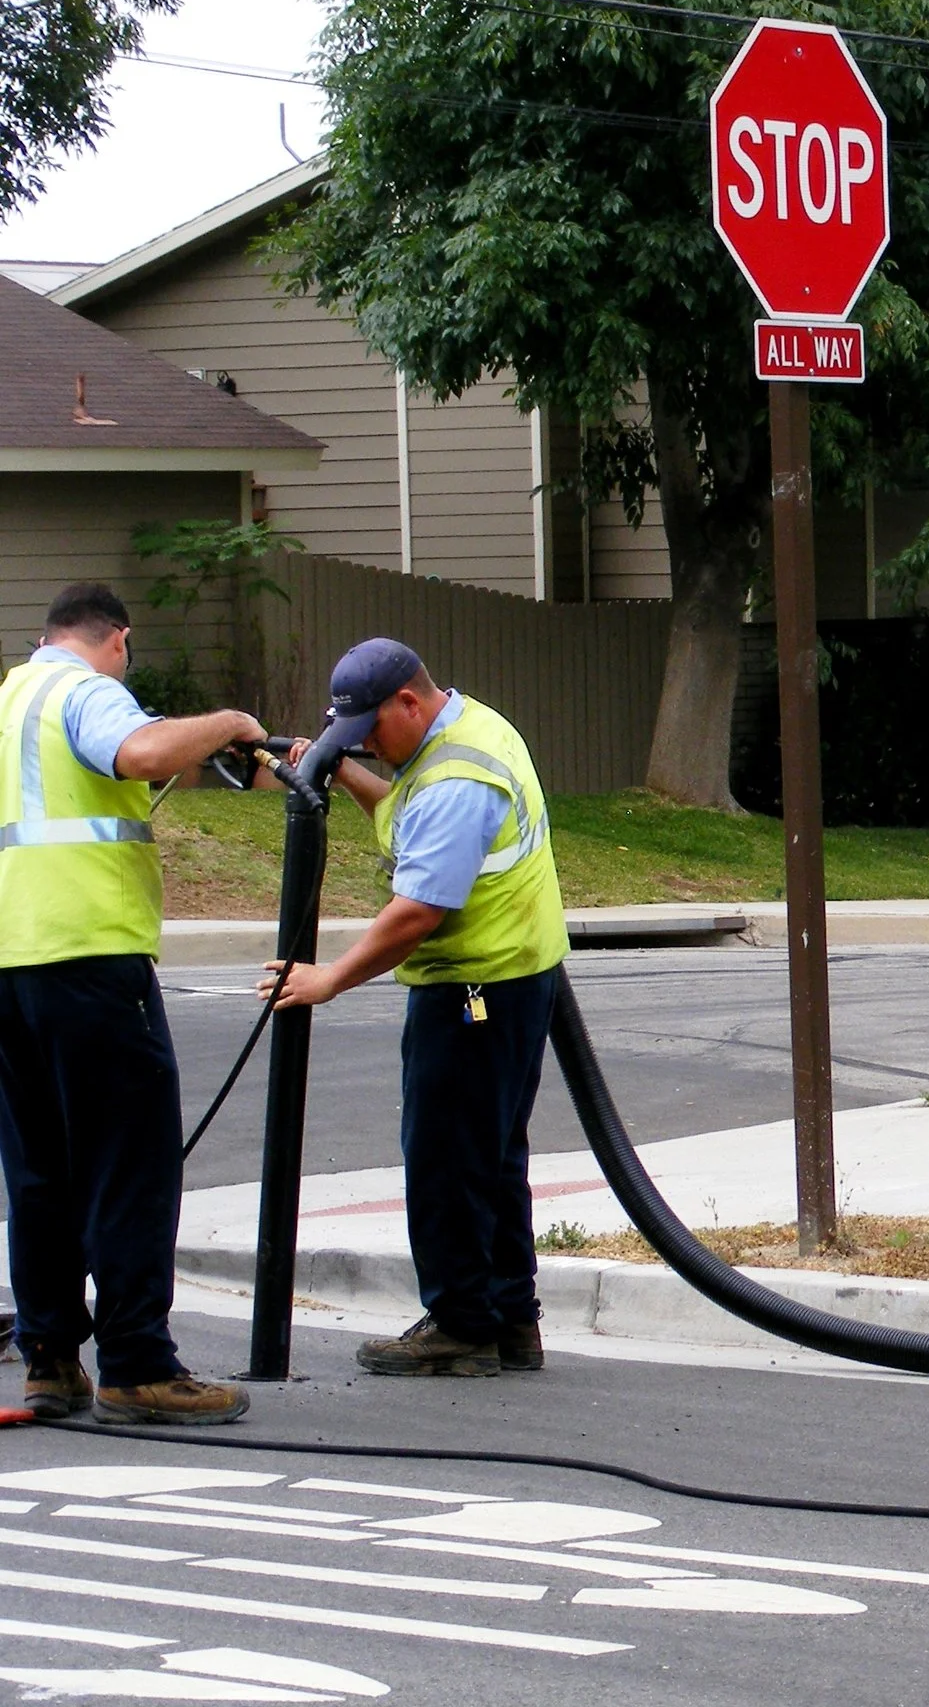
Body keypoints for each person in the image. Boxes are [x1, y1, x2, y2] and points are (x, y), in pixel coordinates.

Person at [262, 640, 569, 1377]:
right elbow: (406, 813)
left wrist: (327, 978)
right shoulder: (465, 734)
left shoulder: (456, 781)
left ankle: (462, 1324)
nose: (366, 738)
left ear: (409, 700)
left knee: (447, 1158)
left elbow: (418, 910)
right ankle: (508, 1318)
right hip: (511, 980)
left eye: (371, 726)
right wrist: (342, 770)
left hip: (473, 987)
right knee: (491, 1157)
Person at [0, 583, 267, 1424]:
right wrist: (229, 723)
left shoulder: (9, 698)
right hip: (92, 956)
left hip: (13, 963)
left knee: (39, 1170)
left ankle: (49, 1358)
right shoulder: (87, 689)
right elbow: (142, 752)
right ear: (117, 638)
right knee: (131, 1162)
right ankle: (137, 1364)